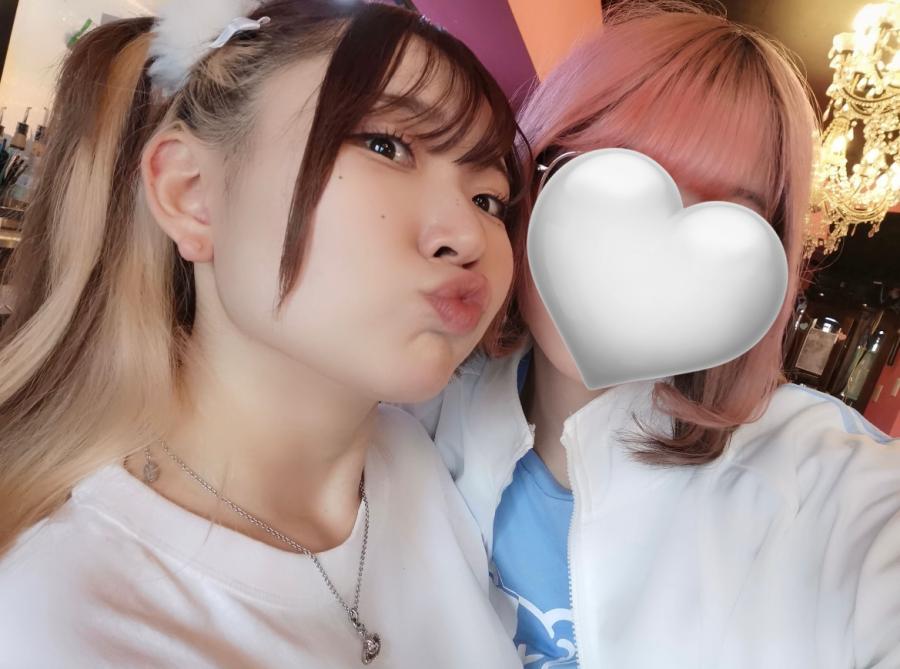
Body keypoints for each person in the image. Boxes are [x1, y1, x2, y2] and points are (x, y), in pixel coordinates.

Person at [0, 1, 528, 666]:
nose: (469, 235)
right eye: (386, 146)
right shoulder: (56, 627)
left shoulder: (424, 462)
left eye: (489, 199)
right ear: (192, 193)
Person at [406, 3, 900, 667]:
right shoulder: (419, 404)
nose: (646, 265)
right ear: (530, 184)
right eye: (606, 187)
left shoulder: (829, 487)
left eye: (724, 225)